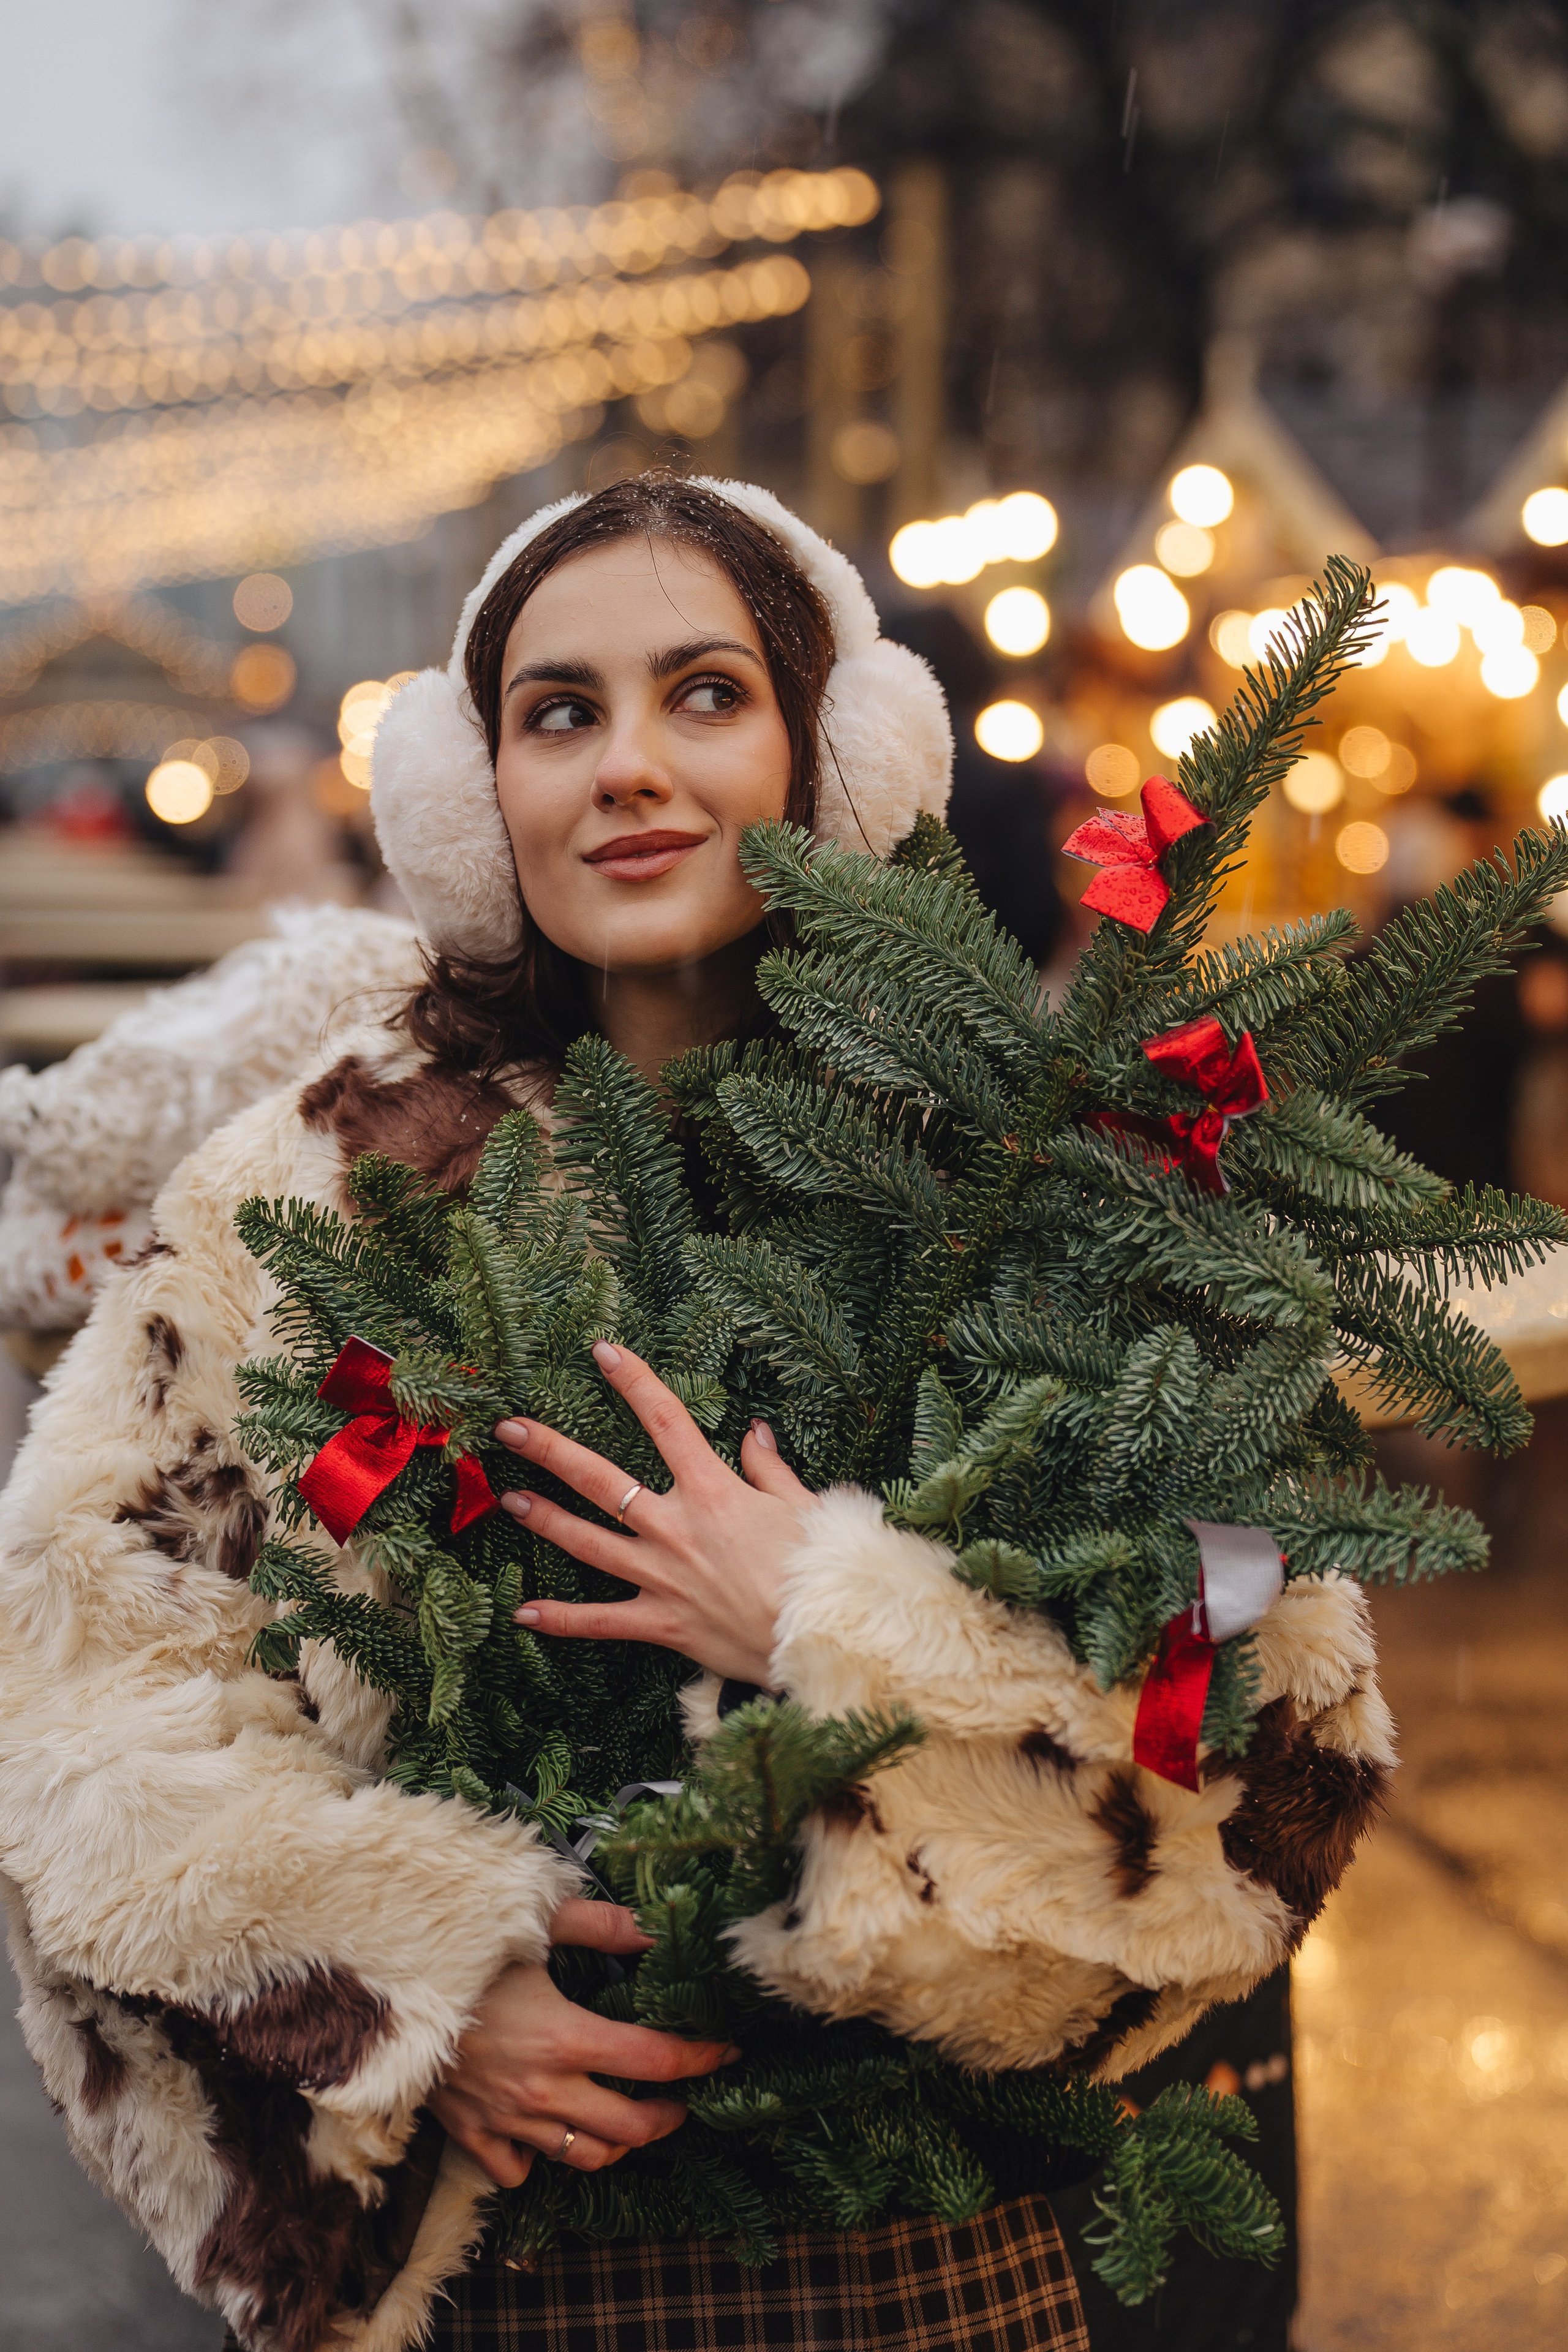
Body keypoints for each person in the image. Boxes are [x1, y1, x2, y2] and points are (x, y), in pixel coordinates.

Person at [0, 476, 1394, 2352]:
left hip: (931, 2265)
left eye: (708, 695)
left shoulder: (1032, 1176)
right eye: (559, 713)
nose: (629, 767)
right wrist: (398, 1985)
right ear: (472, 791)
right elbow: (81, 1706)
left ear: (836, 749)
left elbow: (1266, 1711)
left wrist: (837, 1623)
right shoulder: (311, 1196)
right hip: (495, 2272)